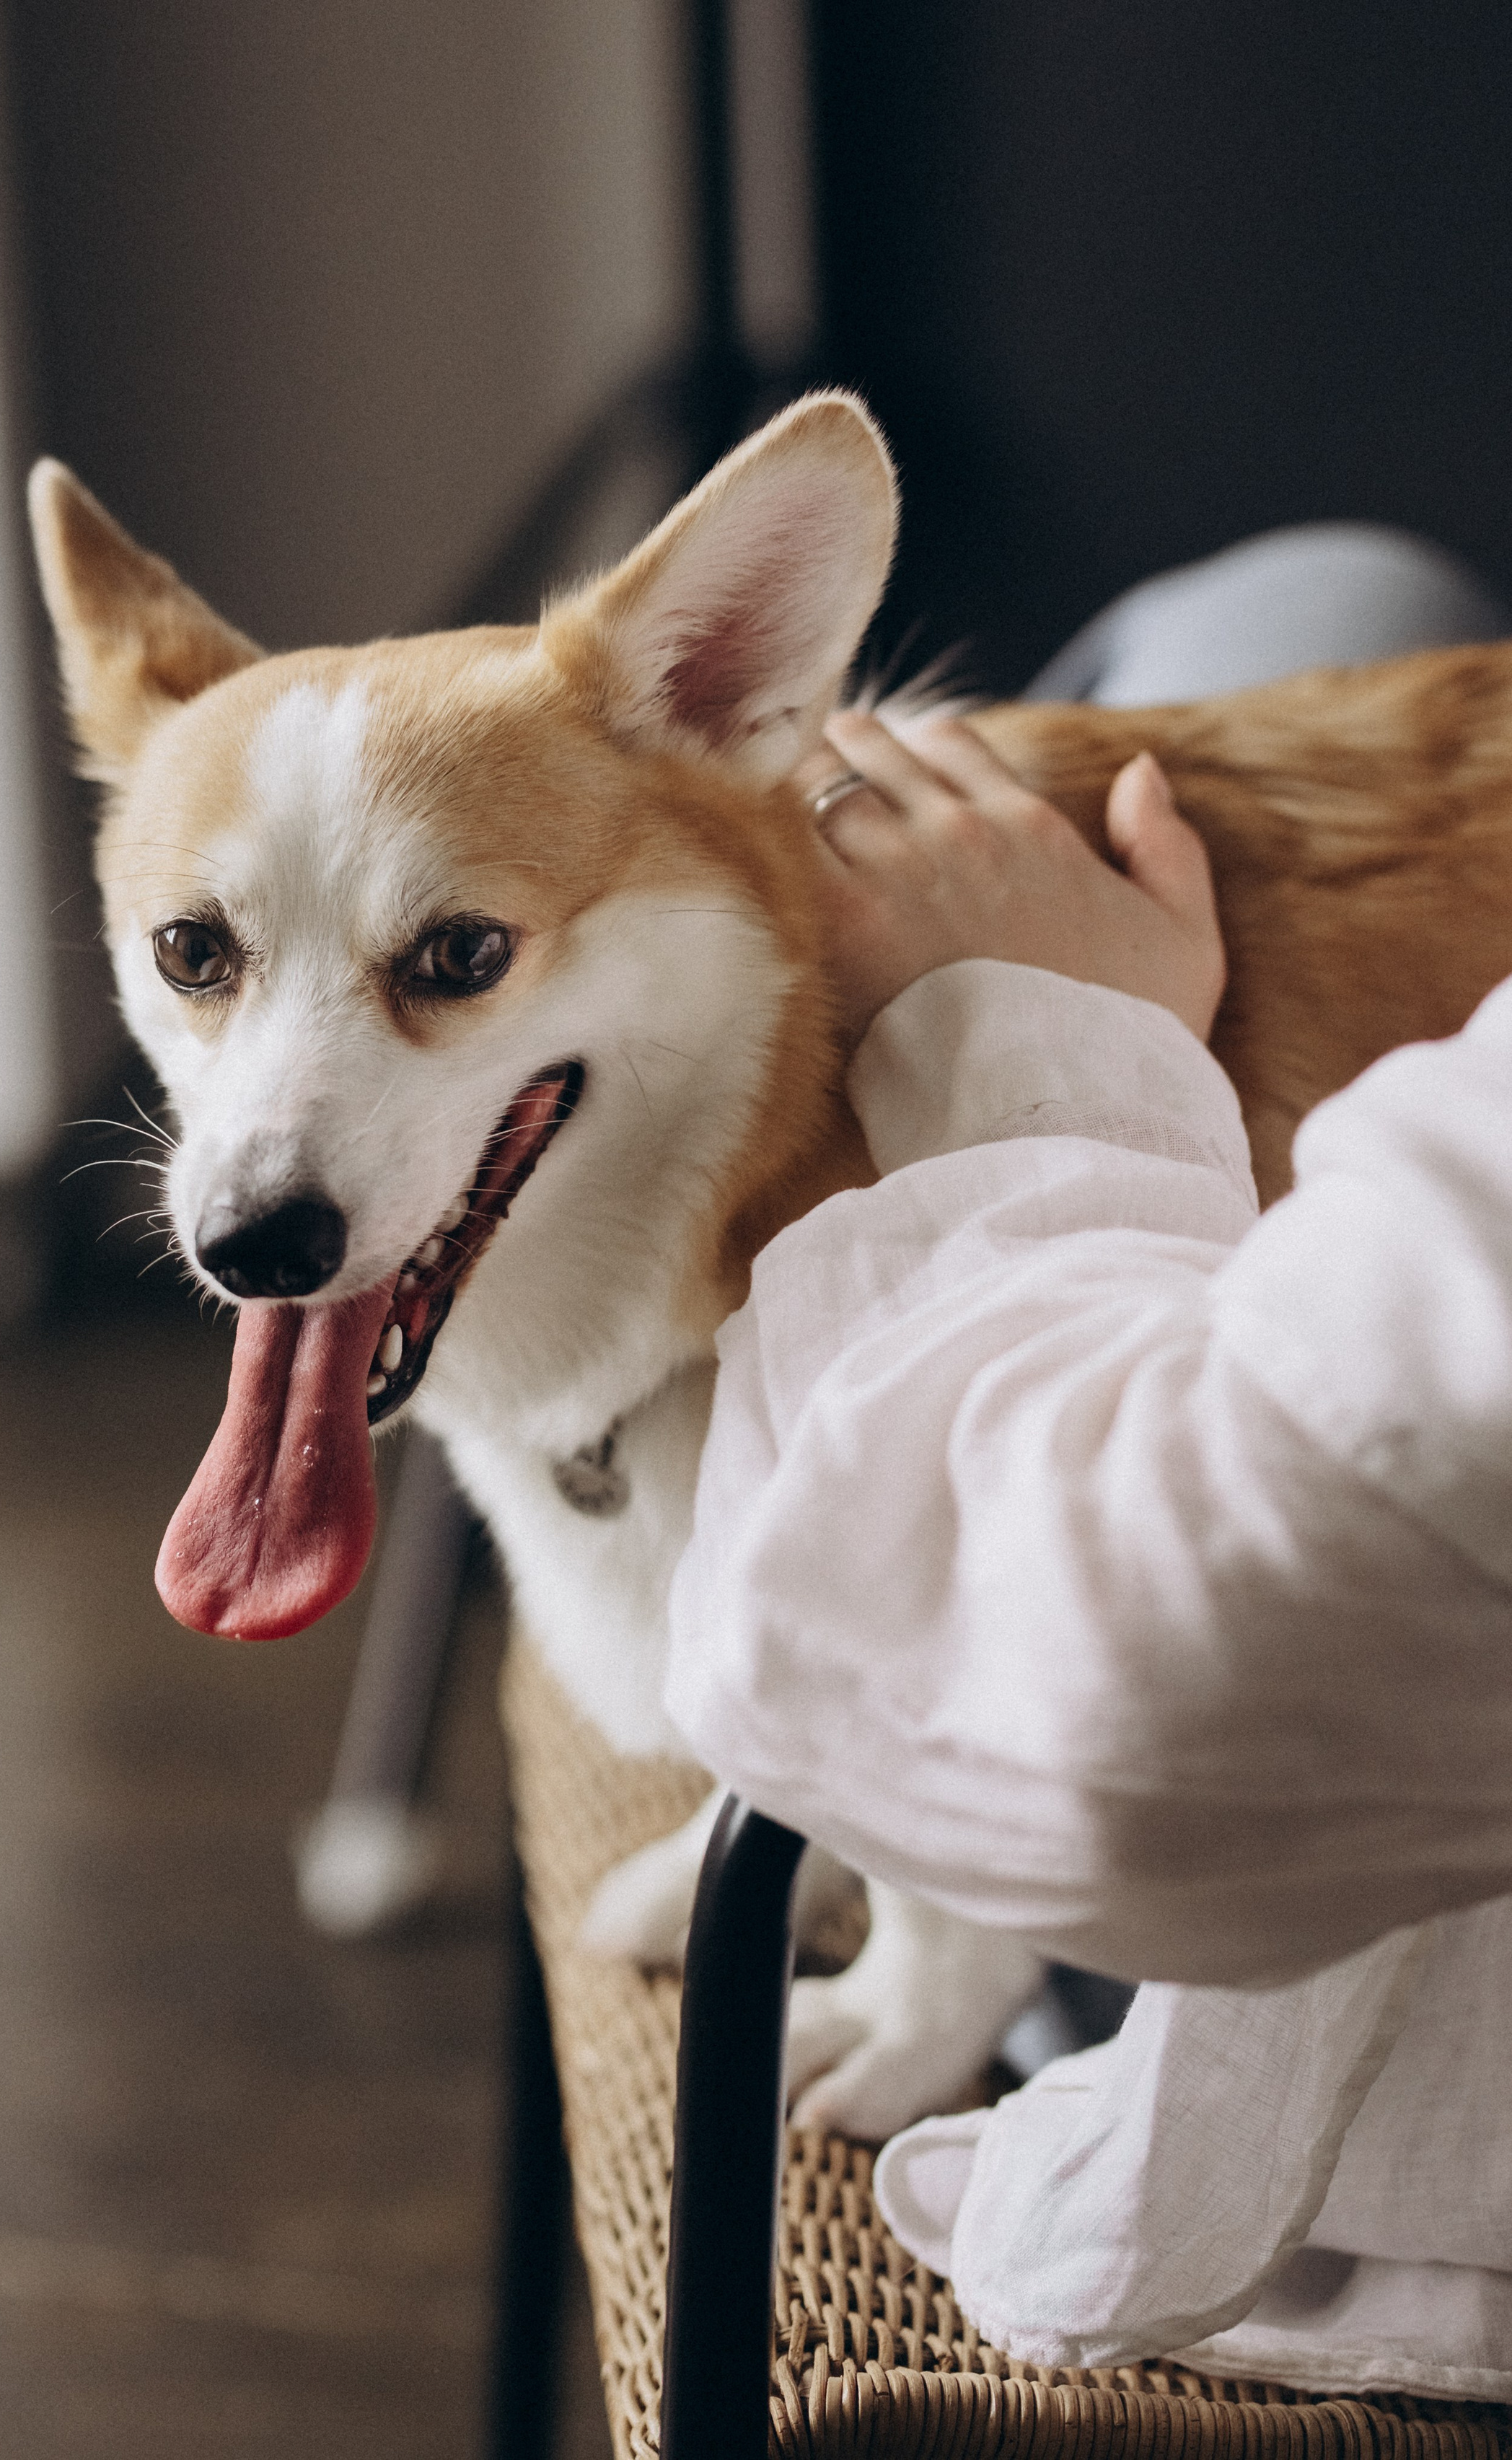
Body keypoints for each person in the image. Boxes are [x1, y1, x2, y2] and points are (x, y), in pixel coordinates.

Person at [662, 527, 1512, 2396]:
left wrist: (1043, 1044)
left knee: (1022, 794)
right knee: (1326, 609)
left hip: (1250, 1916)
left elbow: (1133, 1712)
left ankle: (928, 1916)